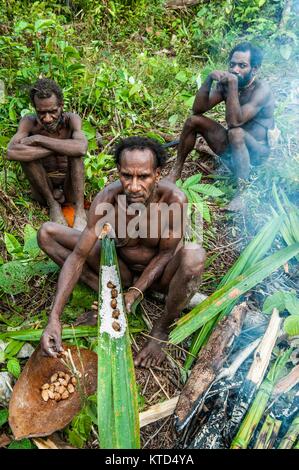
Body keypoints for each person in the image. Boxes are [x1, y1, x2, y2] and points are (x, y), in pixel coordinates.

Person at [37, 136, 206, 368]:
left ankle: (162, 327)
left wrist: (135, 293)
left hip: (160, 277)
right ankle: (109, 297)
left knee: (194, 256)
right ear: (119, 172)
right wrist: (53, 318)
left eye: (143, 177)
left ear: (157, 174)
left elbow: (166, 254)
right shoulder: (108, 199)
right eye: (127, 176)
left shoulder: (173, 200)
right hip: (121, 272)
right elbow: (78, 256)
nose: (134, 186)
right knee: (46, 233)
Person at [169, 42, 275, 210]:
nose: (235, 70)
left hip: (256, 154)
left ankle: (242, 192)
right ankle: (176, 170)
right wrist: (209, 79)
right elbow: (198, 109)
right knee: (193, 120)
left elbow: (235, 122)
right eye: (232, 64)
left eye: (242, 66)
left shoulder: (261, 90)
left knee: (235, 132)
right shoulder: (228, 84)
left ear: (254, 69)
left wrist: (232, 85)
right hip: (233, 152)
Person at [7, 78, 88, 229]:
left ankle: (80, 211)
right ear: (35, 108)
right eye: (41, 113)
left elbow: (81, 148)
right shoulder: (29, 122)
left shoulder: (72, 120)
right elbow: (11, 151)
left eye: (53, 111)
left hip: (69, 186)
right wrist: (63, 146)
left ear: (61, 105)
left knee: (75, 155)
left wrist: (39, 139)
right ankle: (53, 206)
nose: (47, 118)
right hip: (44, 189)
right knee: (26, 157)